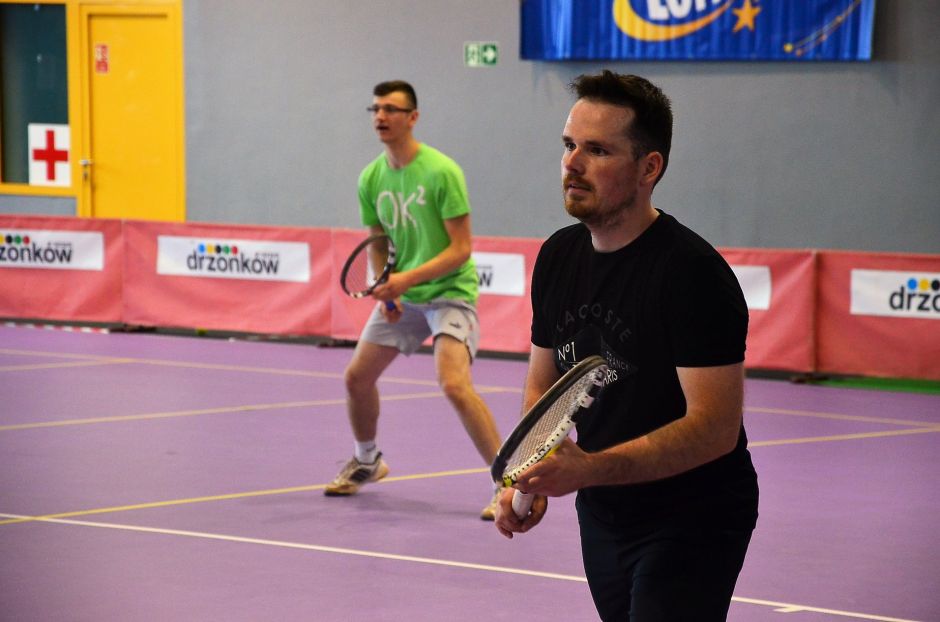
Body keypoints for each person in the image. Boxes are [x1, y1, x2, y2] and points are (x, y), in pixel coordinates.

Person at [493, 70, 759, 620]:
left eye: (597, 150)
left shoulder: (692, 274)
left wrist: (588, 468)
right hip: (605, 513)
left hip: (694, 514)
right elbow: (543, 387)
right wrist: (530, 475)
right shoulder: (558, 257)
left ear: (649, 168)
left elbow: (715, 429)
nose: (572, 163)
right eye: (569, 145)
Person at [325, 80, 504, 520]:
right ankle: (367, 460)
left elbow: (461, 249)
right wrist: (383, 286)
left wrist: (404, 280)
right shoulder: (371, 178)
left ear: (413, 117)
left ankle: (507, 481)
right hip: (404, 294)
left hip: (450, 293)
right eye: (375, 109)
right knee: (356, 378)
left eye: (391, 109)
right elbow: (377, 240)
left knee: (454, 384)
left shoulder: (442, 172)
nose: (380, 117)